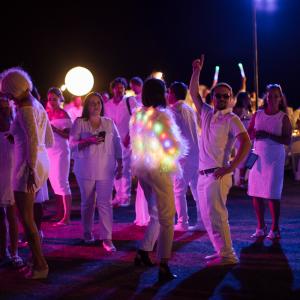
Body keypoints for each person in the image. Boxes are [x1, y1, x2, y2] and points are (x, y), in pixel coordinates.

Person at [189, 56, 251, 267]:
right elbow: (194, 94)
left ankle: (229, 255)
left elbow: (246, 142)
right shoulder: (207, 112)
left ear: (231, 98)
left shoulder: (231, 118)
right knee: (207, 218)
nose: (222, 98)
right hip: (203, 174)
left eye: (226, 96)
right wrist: (196, 71)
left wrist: (232, 167)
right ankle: (221, 252)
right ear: (213, 97)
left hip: (218, 174)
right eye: (218, 96)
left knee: (218, 217)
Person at [130, 78, 188, 281]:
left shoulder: (138, 114)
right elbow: (171, 146)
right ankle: (164, 263)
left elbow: (135, 143)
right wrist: (171, 160)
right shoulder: (162, 116)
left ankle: (144, 252)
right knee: (167, 217)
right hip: (159, 168)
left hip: (143, 168)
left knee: (155, 212)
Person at [1, 67, 54, 279]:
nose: (7, 96)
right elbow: (46, 138)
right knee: (28, 217)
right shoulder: (37, 104)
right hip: (41, 160)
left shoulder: (25, 108)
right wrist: (19, 139)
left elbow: (32, 139)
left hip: (27, 164)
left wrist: (30, 167)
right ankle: (36, 260)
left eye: (7, 91)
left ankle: (41, 266)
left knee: (26, 218)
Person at [70, 92, 122, 252]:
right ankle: (87, 232)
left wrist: (121, 163)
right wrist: (87, 140)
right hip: (85, 168)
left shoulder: (108, 122)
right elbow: (71, 144)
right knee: (87, 203)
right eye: (92, 103)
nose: (96, 106)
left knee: (105, 203)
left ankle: (107, 238)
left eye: (98, 103)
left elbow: (117, 142)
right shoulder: (80, 122)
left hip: (106, 168)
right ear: (87, 106)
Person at [248, 84, 292, 239]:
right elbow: (249, 133)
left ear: (280, 99)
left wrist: (267, 135)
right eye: (270, 96)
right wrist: (253, 134)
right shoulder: (258, 114)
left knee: (272, 194)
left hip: (274, 159)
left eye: (276, 96)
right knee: (256, 193)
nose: (272, 99)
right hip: (258, 157)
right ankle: (260, 227)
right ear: (266, 97)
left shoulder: (283, 117)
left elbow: (287, 139)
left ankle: (275, 228)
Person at [167, 81, 204, 232]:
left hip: (184, 156)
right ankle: (202, 221)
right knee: (196, 190)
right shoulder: (189, 109)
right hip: (196, 155)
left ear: (173, 94)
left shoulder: (173, 111)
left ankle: (183, 222)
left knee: (179, 190)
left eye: (169, 92)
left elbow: (174, 136)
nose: (167, 95)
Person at [104, 77, 138, 207]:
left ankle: (125, 197)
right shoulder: (107, 105)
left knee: (125, 169)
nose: (119, 90)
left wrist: (128, 137)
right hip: (113, 141)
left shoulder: (130, 101)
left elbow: (136, 120)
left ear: (124, 89)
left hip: (127, 140)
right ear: (112, 89)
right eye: (116, 87)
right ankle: (118, 196)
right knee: (114, 169)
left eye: (121, 87)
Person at [0, 95, 23, 267]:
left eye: (6, 103)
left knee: (12, 214)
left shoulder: (16, 121)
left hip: (11, 172)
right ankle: (3, 251)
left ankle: (14, 252)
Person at [46, 87, 73, 225]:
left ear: (60, 99)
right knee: (54, 184)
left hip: (61, 151)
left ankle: (66, 217)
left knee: (63, 183)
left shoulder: (64, 114)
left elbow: (69, 135)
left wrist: (55, 129)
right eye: (50, 99)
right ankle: (59, 213)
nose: (52, 102)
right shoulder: (46, 114)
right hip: (49, 151)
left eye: (54, 99)